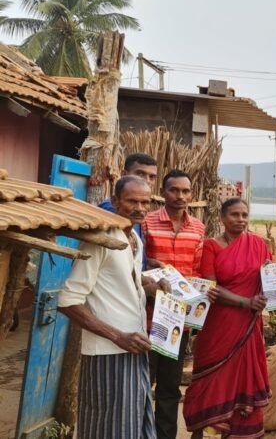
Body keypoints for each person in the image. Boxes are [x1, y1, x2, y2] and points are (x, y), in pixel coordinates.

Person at [57, 176, 155, 438]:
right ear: (115, 201)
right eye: (132, 201)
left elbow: (124, 285)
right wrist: (117, 336)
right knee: (107, 429)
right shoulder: (100, 240)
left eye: (145, 202)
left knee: (134, 424)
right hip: (106, 353)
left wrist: (152, 287)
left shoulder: (134, 237)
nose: (139, 207)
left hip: (135, 346)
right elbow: (68, 300)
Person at [183, 197, 271, 438]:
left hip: (248, 326)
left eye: (244, 215)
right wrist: (245, 302)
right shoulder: (211, 246)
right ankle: (206, 430)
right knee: (211, 377)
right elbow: (211, 287)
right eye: (235, 215)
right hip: (219, 324)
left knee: (244, 375)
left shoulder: (258, 244)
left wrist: (272, 285)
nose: (241, 220)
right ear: (222, 218)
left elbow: (270, 280)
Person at [142, 169, 205, 439]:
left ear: (191, 194)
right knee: (143, 383)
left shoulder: (198, 228)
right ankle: (138, 432)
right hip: (147, 318)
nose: (180, 196)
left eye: (185, 191)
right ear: (163, 193)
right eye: (174, 190)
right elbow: (137, 265)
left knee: (169, 387)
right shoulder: (147, 223)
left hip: (179, 322)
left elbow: (198, 272)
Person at [98, 153, 158, 269]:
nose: (147, 181)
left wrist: (145, 263)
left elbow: (129, 254)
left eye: (152, 177)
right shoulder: (113, 210)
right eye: (140, 174)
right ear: (124, 174)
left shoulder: (137, 212)